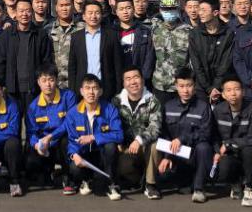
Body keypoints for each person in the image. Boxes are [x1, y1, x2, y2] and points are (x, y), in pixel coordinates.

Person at [149, 67, 214, 202]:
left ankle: (199, 189)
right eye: (181, 86)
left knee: (204, 147)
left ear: (194, 86)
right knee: (163, 175)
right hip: (176, 155)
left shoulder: (203, 107)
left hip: (195, 155)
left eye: (189, 85)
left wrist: (182, 139)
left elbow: (206, 133)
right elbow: (165, 134)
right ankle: (184, 182)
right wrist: (167, 157)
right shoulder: (168, 106)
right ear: (176, 86)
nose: (185, 90)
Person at [62, 74, 123, 198]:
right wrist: (74, 155)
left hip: (102, 155)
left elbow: (119, 134)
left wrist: (94, 137)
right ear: (81, 91)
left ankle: (111, 184)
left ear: (100, 91)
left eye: (95, 88)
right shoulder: (73, 113)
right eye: (87, 88)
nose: (91, 92)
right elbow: (72, 141)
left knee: (111, 146)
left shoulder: (110, 109)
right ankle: (86, 180)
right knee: (74, 167)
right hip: (85, 155)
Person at [213, 75, 252, 207]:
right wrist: (216, 151)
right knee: (223, 170)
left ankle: (250, 188)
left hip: (246, 151)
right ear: (223, 95)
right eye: (229, 90)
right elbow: (213, 135)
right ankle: (236, 183)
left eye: (236, 89)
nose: (233, 93)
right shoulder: (218, 110)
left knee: (248, 150)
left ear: (243, 92)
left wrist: (229, 144)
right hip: (229, 153)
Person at [0, 0, 53, 115]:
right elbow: (0, 62)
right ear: (15, 13)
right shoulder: (6, 35)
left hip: (34, 90)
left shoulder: (41, 34)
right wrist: (0, 85)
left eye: (27, 11)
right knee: (13, 123)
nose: (24, 14)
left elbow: (46, 62)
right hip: (12, 90)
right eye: (21, 11)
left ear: (32, 12)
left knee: (34, 123)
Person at [24, 65, 76, 189]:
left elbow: (70, 123)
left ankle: (67, 176)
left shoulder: (68, 97)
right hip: (45, 147)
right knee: (30, 163)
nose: (48, 84)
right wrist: (37, 145)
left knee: (66, 141)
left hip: (61, 144)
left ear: (56, 80)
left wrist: (51, 136)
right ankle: (48, 173)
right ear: (38, 82)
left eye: (51, 80)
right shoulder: (32, 107)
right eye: (44, 80)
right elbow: (31, 132)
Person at [115, 66, 161, 195]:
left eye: (136, 77)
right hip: (125, 147)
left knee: (156, 145)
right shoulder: (116, 101)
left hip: (144, 147)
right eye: (128, 79)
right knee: (125, 167)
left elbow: (155, 128)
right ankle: (134, 179)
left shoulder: (153, 101)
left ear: (142, 80)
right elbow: (111, 125)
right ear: (124, 83)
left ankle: (150, 184)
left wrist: (139, 140)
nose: (133, 82)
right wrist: (118, 141)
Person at [68, 0, 123, 98]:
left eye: (97, 13)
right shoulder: (76, 37)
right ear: (84, 16)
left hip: (106, 89)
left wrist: (119, 91)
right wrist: (73, 90)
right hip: (83, 91)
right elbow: (72, 67)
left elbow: (118, 65)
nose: (93, 16)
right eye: (90, 13)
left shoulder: (112, 36)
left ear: (101, 15)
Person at [187, 0, 234, 104]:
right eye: (200, 9)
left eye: (204, 10)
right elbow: (196, 64)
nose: (200, 13)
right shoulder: (194, 34)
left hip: (223, 86)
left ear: (215, 12)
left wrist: (216, 87)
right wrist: (208, 88)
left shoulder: (228, 33)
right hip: (201, 87)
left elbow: (225, 63)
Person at [113, 0, 155, 85]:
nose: (125, 12)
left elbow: (150, 57)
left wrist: (143, 78)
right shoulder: (111, 33)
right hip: (118, 81)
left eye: (128, 8)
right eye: (121, 9)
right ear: (116, 12)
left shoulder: (145, 31)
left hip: (140, 81)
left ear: (133, 9)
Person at [47, 0, 81, 90]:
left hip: (76, 83)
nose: (64, 8)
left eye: (67, 5)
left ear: (73, 6)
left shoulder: (82, 28)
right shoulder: (48, 30)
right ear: (56, 7)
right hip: (54, 84)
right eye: (61, 5)